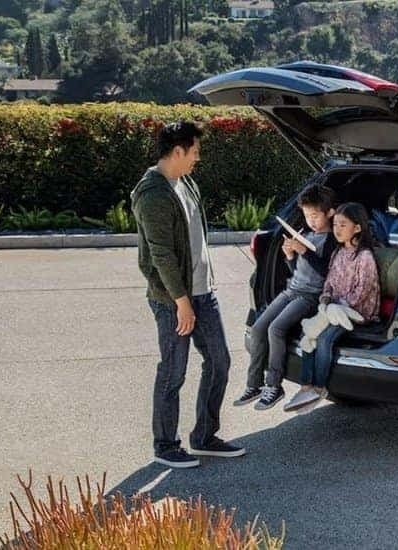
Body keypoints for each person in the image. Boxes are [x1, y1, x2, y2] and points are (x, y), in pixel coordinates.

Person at [130, 121, 245, 469]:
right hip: (172, 299)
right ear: (177, 151)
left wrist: (201, 288)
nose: (198, 157)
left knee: (219, 361)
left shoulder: (186, 183)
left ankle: (204, 437)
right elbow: (161, 253)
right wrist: (181, 302)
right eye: (194, 151)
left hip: (202, 292)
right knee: (173, 371)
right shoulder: (153, 194)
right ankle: (165, 445)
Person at [234, 184, 338, 410]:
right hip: (291, 290)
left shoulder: (331, 241)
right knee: (259, 327)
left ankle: (274, 385)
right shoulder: (307, 235)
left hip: (311, 296)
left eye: (315, 216)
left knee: (276, 329)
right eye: (306, 215)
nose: (310, 221)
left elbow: (325, 272)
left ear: (329, 213)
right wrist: (290, 256)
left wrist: (304, 252)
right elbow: (297, 271)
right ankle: (254, 385)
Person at [285, 202, 381, 411]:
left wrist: (336, 306)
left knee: (324, 339)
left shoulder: (364, 257)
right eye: (335, 224)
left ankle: (319, 387)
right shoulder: (338, 253)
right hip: (333, 308)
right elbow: (328, 282)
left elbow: (362, 292)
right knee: (308, 336)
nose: (337, 229)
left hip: (355, 312)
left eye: (343, 225)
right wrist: (327, 300)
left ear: (357, 228)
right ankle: (306, 385)